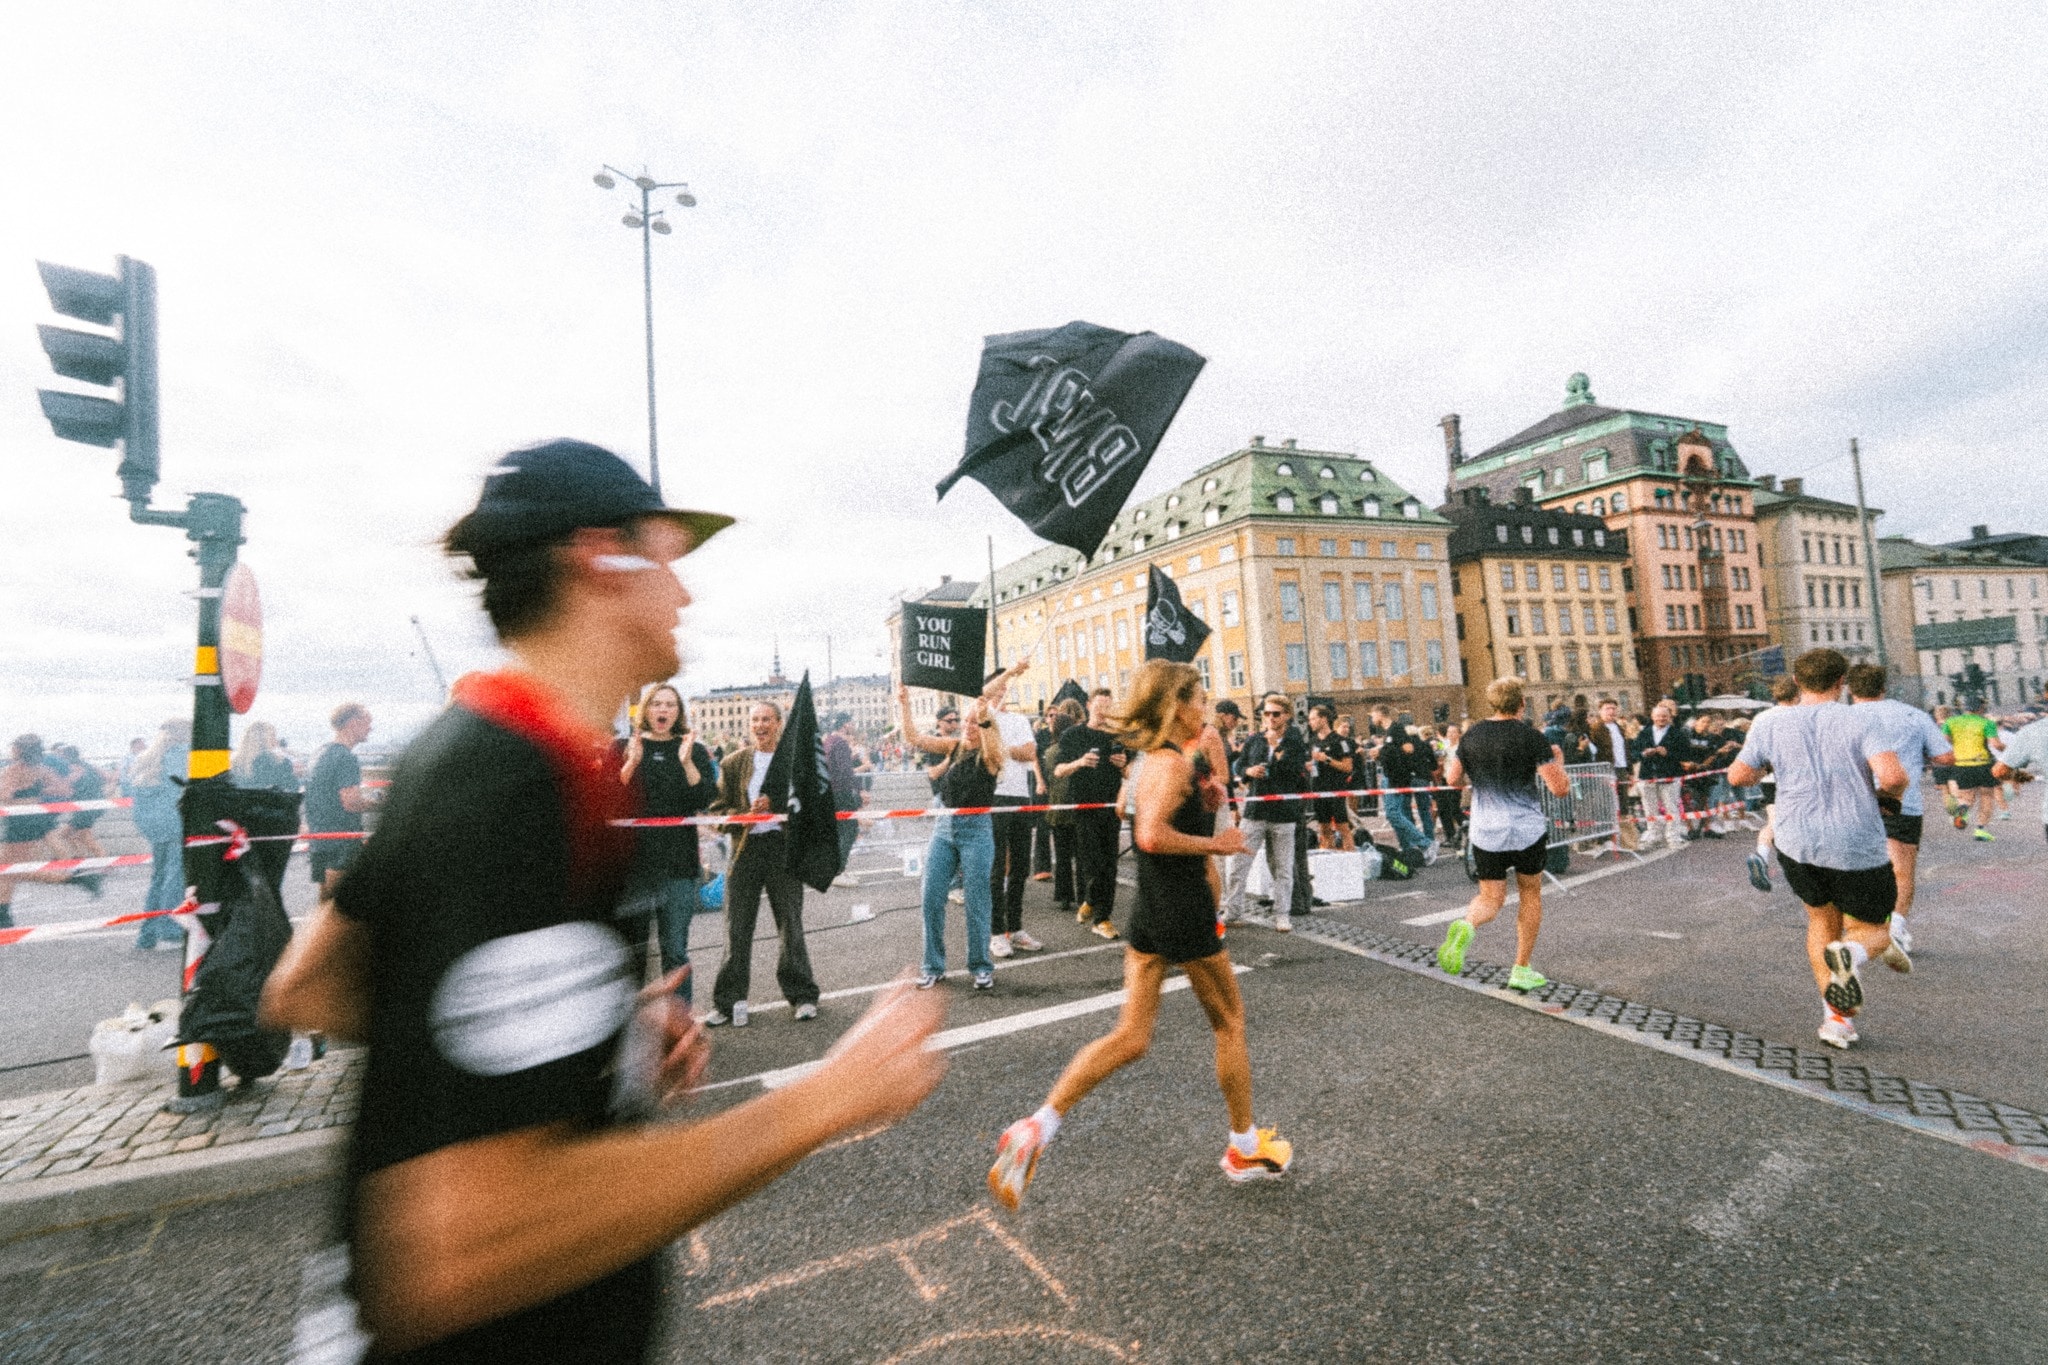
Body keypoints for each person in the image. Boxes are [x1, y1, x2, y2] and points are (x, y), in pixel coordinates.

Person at [259, 437, 945, 1362]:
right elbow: (459, 1240)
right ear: (601, 560)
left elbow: (308, 983)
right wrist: (827, 1097)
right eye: (666, 557)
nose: (684, 593)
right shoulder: (509, 781)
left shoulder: (475, 744)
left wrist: (591, 1027)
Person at [988, 660, 1290, 1210]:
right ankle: (1243, 1147)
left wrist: (1209, 797)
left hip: (1154, 906)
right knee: (1229, 1023)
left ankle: (1038, 1126)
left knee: (1132, 1036)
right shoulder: (1170, 764)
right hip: (1181, 904)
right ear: (1177, 705)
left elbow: (1145, 810)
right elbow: (1150, 835)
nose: (1206, 706)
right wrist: (1214, 845)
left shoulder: (1165, 761)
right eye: (1198, 698)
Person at [1727, 649, 1910, 1051]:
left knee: (1820, 923)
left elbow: (1739, 775)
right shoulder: (1861, 718)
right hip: (1854, 840)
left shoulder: (1768, 722)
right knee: (1874, 931)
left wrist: (1770, 767)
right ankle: (1853, 957)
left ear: (1796, 680)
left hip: (1796, 840)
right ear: (1841, 681)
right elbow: (1894, 776)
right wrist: (1887, 799)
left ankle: (1836, 1022)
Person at [1434, 678, 1570, 992]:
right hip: (1525, 829)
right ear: (1521, 703)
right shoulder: (1532, 736)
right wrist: (1558, 760)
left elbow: (1452, 780)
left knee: (1490, 898)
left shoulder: (1472, 735)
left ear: (1492, 702)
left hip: (1486, 829)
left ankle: (1468, 925)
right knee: (1530, 894)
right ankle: (1521, 969)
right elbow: (1559, 789)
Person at [898, 670, 1017, 989]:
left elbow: (983, 702)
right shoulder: (953, 747)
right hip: (944, 829)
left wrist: (1012, 674)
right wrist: (905, 705)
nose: (967, 726)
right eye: (965, 722)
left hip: (977, 831)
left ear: (985, 727)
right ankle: (933, 965)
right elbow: (913, 738)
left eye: (974, 723)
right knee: (931, 896)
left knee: (978, 899)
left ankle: (980, 965)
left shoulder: (991, 756)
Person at [707, 701, 822, 1026]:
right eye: (755, 720)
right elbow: (716, 813)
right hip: (745, 851)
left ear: (779, 724)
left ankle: (802, 996)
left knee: (790, 925)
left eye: (767, 720)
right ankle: (727, 1003)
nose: (760, 725)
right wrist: (744, 817)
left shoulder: (793, 764)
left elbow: (810, 806)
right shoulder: (733, 763)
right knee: (737, 928)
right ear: (749, 725)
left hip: (782, 849)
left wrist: (779, 805)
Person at [616, 683, 718, 1004]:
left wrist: (687, 763)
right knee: (634, 953)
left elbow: (705, 799)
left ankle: (678, 1020)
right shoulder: (624, 746)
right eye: (657, 704)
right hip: (634, 867)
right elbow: (611, 800)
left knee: (675, 950)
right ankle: (630, 1028)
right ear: (646, 709)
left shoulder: (695, 750)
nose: (663, 711)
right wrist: (631, 764)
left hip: (678, 865)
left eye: (670, 705)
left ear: (679, 712)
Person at [1843, 664, 1951, 955]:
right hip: (1903, 801)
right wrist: (1918, 754)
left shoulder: (1840, 718)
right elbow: (1945, 756)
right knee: (1902, 869)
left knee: (1852, 867)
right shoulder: (1912, 714)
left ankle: (1861, 929)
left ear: (1849, 689)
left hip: (1850, 804)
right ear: (1884, 687)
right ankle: (1897, 929)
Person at [1222, 693, 1307, 930]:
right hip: (1255, 810)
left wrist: (1275, 747)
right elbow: (1238, 765)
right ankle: (1233, 910)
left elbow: (1294, 770)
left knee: (1283, 868)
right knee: (1239, 865)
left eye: (1275, 714)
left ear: (1287, 715)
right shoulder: (1254, 739)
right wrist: (1249, 771)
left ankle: (1282, 914)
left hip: (1284, 813)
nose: (1270, 718)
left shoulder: (1294, 739)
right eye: (1266, 713)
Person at [1053, 689, 1128, 938]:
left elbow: (1131, 774)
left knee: (1110, 864)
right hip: (1084, 807)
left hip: (1111, 807)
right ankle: (1090, 898)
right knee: (1093, 862)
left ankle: (1102, 918)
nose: (1103, 711)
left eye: (1108, 706)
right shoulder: (1074, 735)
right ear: (1088, 706)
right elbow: (1058, 771)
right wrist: (1080, 762)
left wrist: (1124, 765)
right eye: (1099, 706)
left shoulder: (1117, 736)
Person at [985, 680, 1045, 959]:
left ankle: (1016, 928)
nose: (1001, 695)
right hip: (995, 797)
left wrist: (1003, 748)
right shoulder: (985, 717)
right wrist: (1012, 749)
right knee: (997, 868)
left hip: (1020, 797)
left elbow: (1030, 753)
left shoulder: (1020, 720)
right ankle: (996, 933)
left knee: (1020, 865)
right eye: (995, 690)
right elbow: (991, 753)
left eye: (1003, 691)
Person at [118, 721, 190, 948]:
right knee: (175, 878)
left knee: (159, 878)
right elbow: (185, 786)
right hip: (176, 822)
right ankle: (169, 931)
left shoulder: (144, 759)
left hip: (153, 825)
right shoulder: (180, 754)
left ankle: (147, 934)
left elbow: (129, 788)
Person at [1, 735, 82, 929]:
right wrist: (39, 791)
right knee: (11, 869)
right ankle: (4, 915)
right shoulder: (41, 770)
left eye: (14, 748)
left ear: (20, 750)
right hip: (35, 817)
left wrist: (15, 793)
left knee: (8, 870)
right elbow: (66, 790)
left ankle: (4, 916)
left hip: (19, 821)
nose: (12, 751)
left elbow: (4, 795)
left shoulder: (12, 771)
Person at [307, 704, 377, 895]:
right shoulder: (346, 758)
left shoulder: (319, 753)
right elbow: (351, 802)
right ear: (353, 723)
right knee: (340, 906)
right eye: (368, 722)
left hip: (320, 840)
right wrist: (379, 804)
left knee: (325, 904)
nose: (371, 727)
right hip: (342, 843)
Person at [1744, 676, 1800, 890]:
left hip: (1768, 778)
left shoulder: (1761, 718)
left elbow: (1750, 752)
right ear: (1798, 694)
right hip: (1796, 778)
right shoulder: (1801, 716)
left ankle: (1762, 855)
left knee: (1774, 821)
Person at [1039, 698, 1087, 916]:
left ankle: (1064, 896)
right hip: (1076, 805)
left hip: (1057, 807)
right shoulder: (1077, 752)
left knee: (1062, 855)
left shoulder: (1050, 752)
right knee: (1081, 854)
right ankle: (1084, 895)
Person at [1940, 697, 2003, 841]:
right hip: (1983, 764)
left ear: (1965, 708)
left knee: (1966, 797)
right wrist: (2007, 749)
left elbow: (1944, 742)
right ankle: (1980, 830)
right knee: (1987, 796)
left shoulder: (1950, 722)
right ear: (1981, 709)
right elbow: (1996, 745)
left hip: (1962, 764)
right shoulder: (1987, 723)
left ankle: (1961, 812)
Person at [1634, 701, 1694, 848]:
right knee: (1649, 808)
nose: (1661, 719)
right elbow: (1634, 752)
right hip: (1648, 775)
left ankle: (1673, 837)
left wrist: (1668, 753)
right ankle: (1654, 835)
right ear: (1653, 717)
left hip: (1670, 775)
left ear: (1670, 717)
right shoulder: (1644, 733)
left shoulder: (1677, 733)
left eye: (1664, 716)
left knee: (1671, 807)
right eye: (1658, 716)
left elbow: (1685, 753)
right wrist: (1644, 753)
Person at [1990, 711, 2048, 844]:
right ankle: (2011, 789)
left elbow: (1998, 771)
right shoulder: (2010, 734)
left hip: (2003, 762)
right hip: (2008, 760)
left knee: (1997, 788)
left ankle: (2005, 807)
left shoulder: (2034, 731)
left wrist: (2028, 777)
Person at [821, 714, 864, 887]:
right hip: (841, 793)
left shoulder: (829, 741)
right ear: (845, 725)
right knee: (849, 830)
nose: (853, 726)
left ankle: (837, 870)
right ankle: (838, 872)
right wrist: (860, 790)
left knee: (839, 831)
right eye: (851, 723)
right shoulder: (840, 743)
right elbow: (846, 771)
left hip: (829, 792)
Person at [1305, 703, 1355, 850]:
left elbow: (1347, 767)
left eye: (1313, 719)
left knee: (1342, 827)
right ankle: (1329, 859)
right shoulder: (1312, 741)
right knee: (1324, 828)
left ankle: (1351, 859)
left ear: (1324, 719)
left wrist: (1326, 759)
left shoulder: (1339, 741)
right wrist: (1308, 765)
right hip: (1318, 789)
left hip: (1335, 789)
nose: (1310, 722)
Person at [231, 721, 301, 793]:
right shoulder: (276, 762)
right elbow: (292, 788)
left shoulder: (235, 763)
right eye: (273, 736)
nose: (276, 740)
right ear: (265, 739)